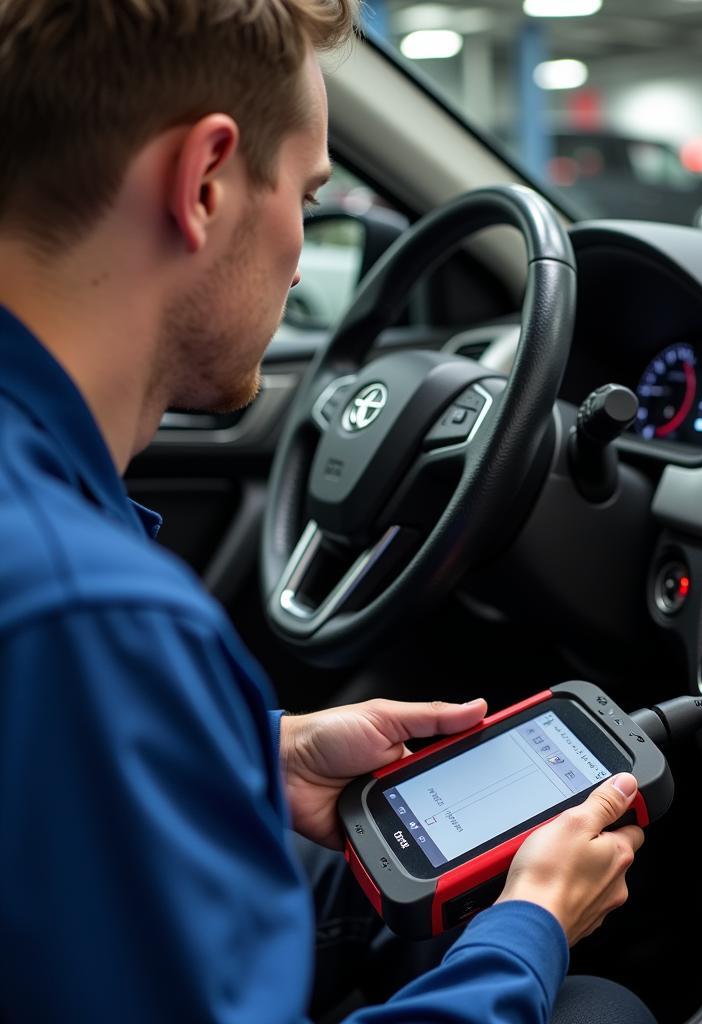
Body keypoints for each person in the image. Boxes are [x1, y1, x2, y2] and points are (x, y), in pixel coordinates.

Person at [0, 2, 656, 1021]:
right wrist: (527, 929)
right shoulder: (85, 618)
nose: (304, 252)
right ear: (205, 182)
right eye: (307, 193)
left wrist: (253, 752)